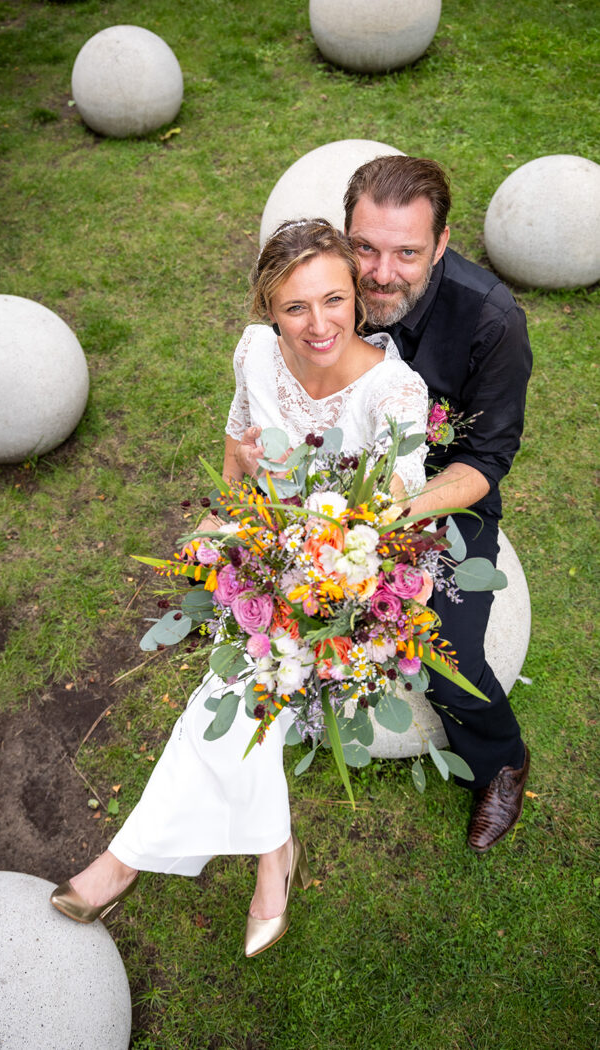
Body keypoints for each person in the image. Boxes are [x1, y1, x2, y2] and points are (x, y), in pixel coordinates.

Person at [50, 218, 428, 955]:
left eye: (334, 300)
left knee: (233, 695)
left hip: (350, 590)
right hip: (264, 563)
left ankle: (130, 861)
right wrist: (234, 514)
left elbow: (393, 516)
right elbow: (236, 444)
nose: (318, 324)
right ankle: (270, 856)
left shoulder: (394, 393)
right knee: (245, 690)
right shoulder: (256, 352)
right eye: (295, 307)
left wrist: (315, 572)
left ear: (357, 296)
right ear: (268, 310)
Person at [339, 154, 533, 853]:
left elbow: (486, 460)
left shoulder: (491, 320)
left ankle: (501, 760)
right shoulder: (325, 286)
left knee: (443, 643)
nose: (379, 274)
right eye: (364, 247)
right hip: (338, 471)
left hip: (441, 495)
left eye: (407, 253)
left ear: (442, 243)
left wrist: (395, 515)